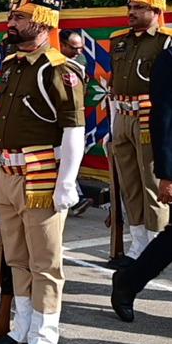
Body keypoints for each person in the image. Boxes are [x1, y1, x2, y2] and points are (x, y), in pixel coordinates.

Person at [0, 0, 96, 344]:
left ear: (43, 19)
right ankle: (21, 328)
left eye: (20, 16)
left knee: (45, 262)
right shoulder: (13, 64)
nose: (12, 21)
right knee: (17, 258)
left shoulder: (60, 71)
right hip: (7, 175)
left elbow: (74, 129)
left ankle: (44, 337)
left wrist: (67, 181)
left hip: (41, 176)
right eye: (13, 15)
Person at [107, 0, 172, 268]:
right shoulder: (118, 39)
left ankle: (155, 252)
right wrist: (112, 123)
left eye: (138, 6)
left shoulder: (166, 42)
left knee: (152, 185)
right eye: (130, 5)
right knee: (128, 183)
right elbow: (112, 84)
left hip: (150, 118)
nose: (131, 11)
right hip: (121, 116)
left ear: (156, 9)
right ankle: (137, 246)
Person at [112, 42, 172, 321]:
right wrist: (168, 174)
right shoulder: (171, 58)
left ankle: (128, 281)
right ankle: (128, 282)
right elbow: (165, 119)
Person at [59, 28, 93, 217]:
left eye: (81, 48)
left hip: (72, 114)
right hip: (52, 118)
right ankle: (75, 198)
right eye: (74, 48)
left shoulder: (79, 60)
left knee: (69, 157)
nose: (79, 52)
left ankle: (75, 197)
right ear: (62, 45)